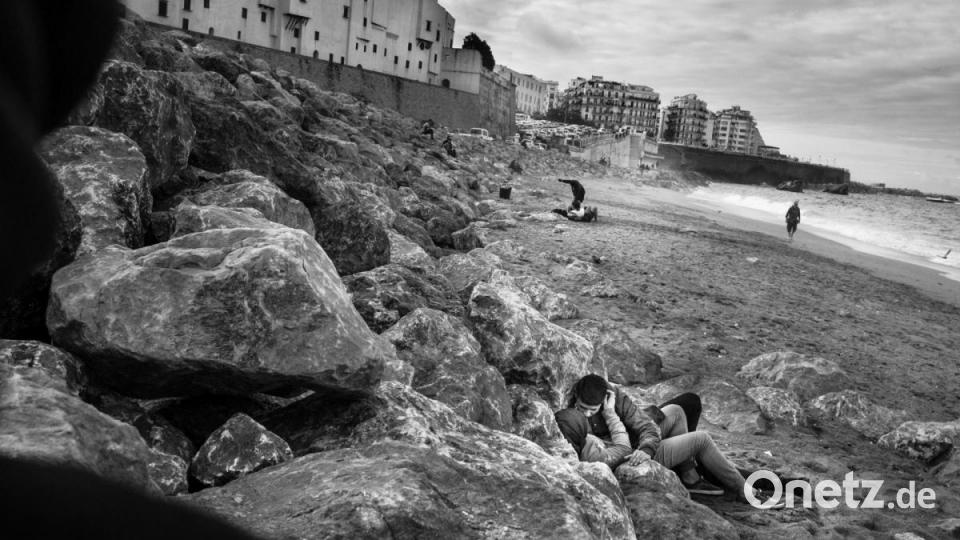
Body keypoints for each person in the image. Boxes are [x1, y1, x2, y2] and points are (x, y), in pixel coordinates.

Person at [556, 375, 782, 507]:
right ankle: (746, 492)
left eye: (591, 410)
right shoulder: (572, 419)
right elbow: (616, 450)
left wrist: (646, 446)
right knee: (702, 438)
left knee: (676, 411)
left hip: (636, 447)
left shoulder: (614, 397)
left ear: (605, 398)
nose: (585, 414)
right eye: (581, 408)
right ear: (576, 396)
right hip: (625, 456)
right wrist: (611, 418)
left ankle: (689, 476)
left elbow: (646, 427)